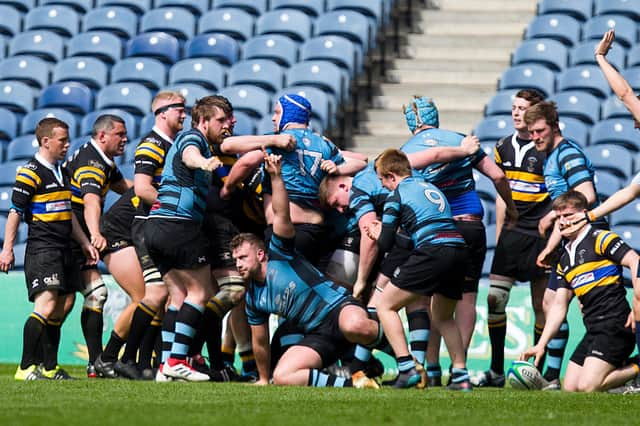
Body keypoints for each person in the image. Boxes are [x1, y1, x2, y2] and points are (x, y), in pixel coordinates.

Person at [230, 149, 382, 388]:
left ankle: (406, 359)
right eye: (235, 260)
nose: (238, 264)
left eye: (242, 257)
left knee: (355, 325)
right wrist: (262, 379)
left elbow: (282, 215)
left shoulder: (280, 253)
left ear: (261, 255)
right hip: (319, 334)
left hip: (337, 309)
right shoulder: (253, 298)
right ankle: (354, 382)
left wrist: (277, 177)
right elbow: (260, 342)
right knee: (282, 376)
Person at [399, 96, 518, 386]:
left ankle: (430, 367)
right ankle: (459, 367)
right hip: (470, 227)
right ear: (435, 117)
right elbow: (498, 176)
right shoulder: (460, 139)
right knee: (465, 298)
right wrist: (512, 209)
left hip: (435, 231)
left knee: (427, 299)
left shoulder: (406, 151)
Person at [93, 91, 187, 380]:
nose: (185, 115)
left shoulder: (173, 145)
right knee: (146, 295)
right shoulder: (153, 145)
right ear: (162, 113)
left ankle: (144, 363)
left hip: (144, 228)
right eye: (180, 109)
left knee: (158, 295)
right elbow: (144, 189)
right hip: (120, 234)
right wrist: (176, 210)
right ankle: (110, 358)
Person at [364, 149, 471, 390]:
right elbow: (416, 236)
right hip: (458, 249)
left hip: (433, 250)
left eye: (382, 180)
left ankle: (406, 368)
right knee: (443, 316)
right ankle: (461, 376)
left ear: (391, 176)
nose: (384, 186)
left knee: (385, 305)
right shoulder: (430, 187)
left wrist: (379, 232)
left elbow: (388, 244)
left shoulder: (397, 195)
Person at [0, 118, 98, 380]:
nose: (67, 145)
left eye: (67, 140)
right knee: (46, 304)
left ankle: (50, 367)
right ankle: (24, 368)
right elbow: (15, 213)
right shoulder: (30, 172)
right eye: (62, 140)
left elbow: (68, 214)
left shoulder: (62, 172)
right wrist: (7, 249)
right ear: (45, 141)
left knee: (65, 303)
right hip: (44, 249)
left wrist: (84, 243)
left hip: (65, 248)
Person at [144, 95, 232, 381]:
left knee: (178, 295)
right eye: (220, 120)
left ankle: (165, 364)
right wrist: (204, 163)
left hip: (155, 227)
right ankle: (178, 360)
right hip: (178, 225)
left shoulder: (202, 141)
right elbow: (189, 156)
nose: (226, 125)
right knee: (201, 292)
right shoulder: (192, 139)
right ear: (203, 121)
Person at [520, 190, 640, 392]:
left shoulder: (600, 238)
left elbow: (635, 260)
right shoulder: (564, 257)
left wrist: (637, 300)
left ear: (583, 214)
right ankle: (619, 375)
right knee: (571, 387)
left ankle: (637, 366)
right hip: (593, 329)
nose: (562, 222)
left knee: (588, 386)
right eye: (558, 217)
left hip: (615, 324)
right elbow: (559, 306)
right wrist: (541, 345)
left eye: (568, 216)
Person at [524, 101, 606, 388]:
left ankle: (614, 363)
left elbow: (587, 195)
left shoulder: (567, 153)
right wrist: (552, 244)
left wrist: (551, 217)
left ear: (554, 126)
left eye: (539, 130)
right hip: (570, 239)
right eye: (531, 132)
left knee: (591, 310)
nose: (535, 137)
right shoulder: (551, 156)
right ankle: (551, 377)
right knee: (551, 301)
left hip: (588, 237)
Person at [474, 89, 549, 387]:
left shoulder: (546, 147)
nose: (516, 113)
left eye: (523, 108)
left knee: (541, 303)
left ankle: (537, 369)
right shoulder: (503, 146)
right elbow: (502, 194)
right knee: (495, 298)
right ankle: (495, 370)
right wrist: (501, 234)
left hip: (540, 234)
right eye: (514, 108)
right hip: (512, 234)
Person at [262, 94, 366, 267]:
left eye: (277, 112)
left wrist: (227, 188)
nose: (273, 118)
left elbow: (233, 150)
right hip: (315, 230)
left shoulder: (275, 142)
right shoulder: (323, 144)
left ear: (289, 114)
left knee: (279, 286)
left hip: (282, 228)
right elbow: (362, 160)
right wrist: (338, 166)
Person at [64, 114, 132, 377]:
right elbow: (91, 201)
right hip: (70, 236)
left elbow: (122, 187)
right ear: (102, 136)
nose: (125, 139)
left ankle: (96, 363)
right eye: (120, 134)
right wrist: (94, 235)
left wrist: (154, 190)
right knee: (61, 303)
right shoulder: (92, 162)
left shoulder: (103, 160)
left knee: (95, 294)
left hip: (75, 234)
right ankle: (40, 363)